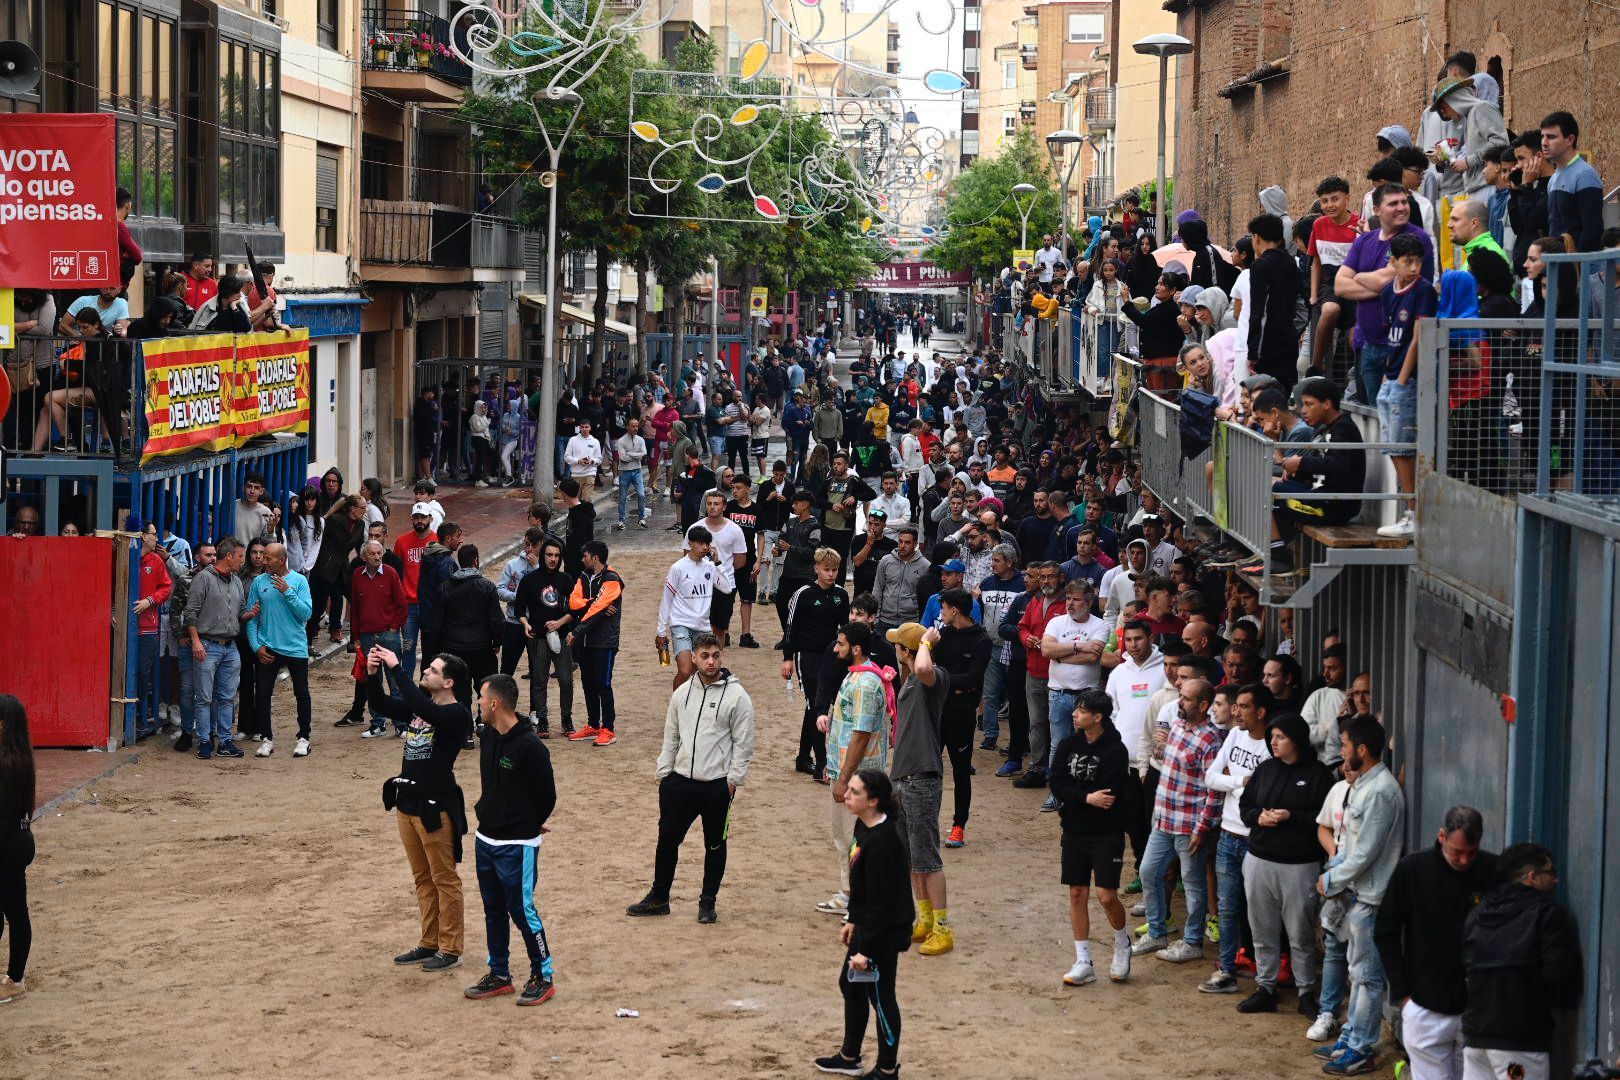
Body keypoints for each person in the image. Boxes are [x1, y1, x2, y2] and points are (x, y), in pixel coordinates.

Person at [627, 633, 756, 924]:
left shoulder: (738, 697)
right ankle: (659, 898)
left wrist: (733, 780)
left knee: (715, 844)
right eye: (705, 656)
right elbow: (671, 734)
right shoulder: (682, 693)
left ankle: (707, 903)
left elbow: (744, 742)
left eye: (716, 655)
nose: (711, 661)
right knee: (667, 841)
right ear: (694, 658)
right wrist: (665, 772)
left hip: (717, 786)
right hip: (679, 783)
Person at [367, 646, 472, 973]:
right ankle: (429, 942)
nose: (426, 672)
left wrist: (397, 670)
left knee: (444, 879)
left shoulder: (457, 714)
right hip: (407, 804)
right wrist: (373, 675)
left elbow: (424, 709)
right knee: (422, 878)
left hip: (435, 807)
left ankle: (450, 947)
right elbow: (381, 704)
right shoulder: (422, 709)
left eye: (434, 671)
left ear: (449, 683)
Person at [1373, 806, 1498, 1080]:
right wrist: (1403, 993)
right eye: (1457, 851)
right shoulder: (1413, 869)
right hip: (1425, 1003)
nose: (1464, 860)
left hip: (1477, 1006)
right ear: (1442, 836)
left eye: (1471, 852)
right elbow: (1386, 930)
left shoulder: (1492, 869)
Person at [1315, 716, 1406, 1075]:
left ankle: (1363, 1049)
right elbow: (1353, 845)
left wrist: (1331, 879)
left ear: (1362, 750)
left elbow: (1366, 853)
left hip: (1372, 899)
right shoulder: (1366, 786)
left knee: (1367, 978)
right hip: (1359, 895)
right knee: (1358, 972)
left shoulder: (1381, 791)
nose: (1342, 752)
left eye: (1346, 746)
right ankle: (1352, 1036)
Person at [463, 675, 558, 1006]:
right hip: (485, 837)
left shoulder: (530, 747)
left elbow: (547, 796)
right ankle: (499, 974)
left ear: (494, 703)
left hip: (517, 844)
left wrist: (528, 823)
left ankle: (543, 976)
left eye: (480, 698)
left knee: (522, 910)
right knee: (493, 909)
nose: (477, 703)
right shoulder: (488, 735)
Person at [813, 769, 913, 1080]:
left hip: (884, 933)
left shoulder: (884, 842)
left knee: (881, 998)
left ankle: (887, 1069)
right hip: (868, 925)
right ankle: (850, 1056)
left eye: (855, 792)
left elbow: (882, 905)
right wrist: (853, 919)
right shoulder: (863, 825)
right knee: (850, 985)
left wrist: (866, 951)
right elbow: (862, 885)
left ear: (873, 801)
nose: (846, 794)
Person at [1235, 712, 1334, 1015]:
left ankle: (1305, 991)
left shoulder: (1318, 774)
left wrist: (1291, 816)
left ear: (1297, 740)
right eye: (1272, 738)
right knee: (1261, 928)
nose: (1274, 743)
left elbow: (1323, 819)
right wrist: (1258, 817)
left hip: (1300, 864)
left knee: (1300, 931)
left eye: (1281, 737)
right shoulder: (1265, 769)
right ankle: (1265, 987)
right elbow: (1245, 806)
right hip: (1259, 859)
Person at [1459, 842, 1583, 1080]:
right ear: (1532, 877)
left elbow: (1465, 963)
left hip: (1476, 1038)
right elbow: (1558, 973)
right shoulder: (1547, 913)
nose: (1556, 880)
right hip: (1519, 1043)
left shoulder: (1478, 913)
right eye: (1551, 873)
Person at [1048, 688, 1137, 987]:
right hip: (1073, 830)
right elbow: (1057, 782)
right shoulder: (1068, 743)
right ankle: (1083, 960)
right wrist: (1085, 798)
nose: (1074, 714)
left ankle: (1122, 944)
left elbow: (1108, 795)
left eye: (1082, 710)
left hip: (1106, 833)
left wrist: (1076, 796)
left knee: (1106, 896)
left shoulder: (1116, 750)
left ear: (1097, 717)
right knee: (1077, 893)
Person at [1132, 676, 1221, 965]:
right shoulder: (1180, 725)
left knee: (1194, 886)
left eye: (1186, 698)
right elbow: (1165, 759)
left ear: (1203, 705)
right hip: (1164, 818)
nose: (1179, 702)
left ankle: (1193, 941)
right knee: (1148, 872)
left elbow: (1214, 790)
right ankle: (1158, 931)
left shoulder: (1210, 739)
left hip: (1190, 826)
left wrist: (1202, 827)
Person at [1196, 682, 1273, 996]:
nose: (1236, 711)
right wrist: (1242, 782)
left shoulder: (1272, 744)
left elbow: (1267, 793)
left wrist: (1234, 786)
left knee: (1261, 911)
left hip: (1259, 839)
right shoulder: (1234, 735)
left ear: (1261, 711)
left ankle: (1266, 977)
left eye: (1243, 706)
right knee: (1227, 908)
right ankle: (1226, 969)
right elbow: (1210, 777)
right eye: (1236, 705)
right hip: (1229, 833)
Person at [885, 623, 954, 957]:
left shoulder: (933, 676)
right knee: (912, 857)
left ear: (908, 651)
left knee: (928, 857)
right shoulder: (910, 680)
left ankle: (942, 927)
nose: (894, 648)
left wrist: (926, 640)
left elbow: (925, 665)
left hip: (922, 779)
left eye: (899, 645)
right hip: (904, 778)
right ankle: (925, 918)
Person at [815, 622, 893, 917]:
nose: (836, 649)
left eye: (841, 644)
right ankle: (850, 894)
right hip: (847, 772)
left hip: (858, 778)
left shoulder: (864, 684)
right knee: (844, 837)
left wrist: (844, 778)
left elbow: (860, 735)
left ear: (856, 649)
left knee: (858, 839)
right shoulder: (857, 676)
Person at [1040, 579, 1110, 809]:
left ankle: (1081, 793)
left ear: (1089, 603)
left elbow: (1093, 658)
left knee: (1086, 745)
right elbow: (1046, 650)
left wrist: (1060, 654)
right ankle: (1056, 793)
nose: (1070, 603)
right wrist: (1079, 646)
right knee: (1057, 744)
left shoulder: (1100, 626)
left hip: (1087, 696)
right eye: (1068, 598)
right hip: (1059, 692)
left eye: (1076, 599)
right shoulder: (1056, 622)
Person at [783, 549, 851, 780]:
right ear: (816, 569)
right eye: (827, 570)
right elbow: (790, 628)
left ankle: (803, 757)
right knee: (816, 705)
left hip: (832, 656)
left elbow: (845, 629)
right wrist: (787, 658)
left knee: (816, 706)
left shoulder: (841, 595)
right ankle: (822, 765)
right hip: (807, 655)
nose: (831, 574)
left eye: (834, 570)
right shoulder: (803, 594)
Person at [931, 588, 991, 848]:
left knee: (960, 771)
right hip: (937, 712)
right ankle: (926, 822)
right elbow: (932, 672)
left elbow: (971, 680)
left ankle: (958, 826)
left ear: (955, 610)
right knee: (928, 770)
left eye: (943, 608)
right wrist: (951, 684)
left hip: (962, 716)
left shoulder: (981, 640)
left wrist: (942, 680)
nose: (940, 612)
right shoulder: (942, 635)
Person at [244, 542, 314, 759]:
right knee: (263, 695)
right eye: (262, 557)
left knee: (301, 693)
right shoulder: (258, 582)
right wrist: (256, 646)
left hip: (295, 648)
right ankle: (266, 739)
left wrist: (288, 592)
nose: (263, 561)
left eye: (268, 558)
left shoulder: (299, 581)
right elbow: (251, 617)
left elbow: (306, 614)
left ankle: (304, 737)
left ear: (281, 560)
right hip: (269, 648)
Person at [182, 537, 248, 760]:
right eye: (240, 556)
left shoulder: (236, 581)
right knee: (204, 697)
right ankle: (204, 740)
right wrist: (196, 640)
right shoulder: (203, 578)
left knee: (227, 697)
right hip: (208, 643)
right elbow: (190, 612)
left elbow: (240, 613)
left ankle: (225, 740)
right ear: (229, 556)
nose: (242, 561)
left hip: (229, 646)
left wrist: (253, 613)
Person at [514, 537, 575, 738]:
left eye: (557, 556)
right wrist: (525, 624)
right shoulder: (530, 580)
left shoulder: (566, 580)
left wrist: (560, 623)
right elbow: (519, 608)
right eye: (549, 555)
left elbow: (576, 609)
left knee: (566, 680)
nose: (553, 559)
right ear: (543, 556)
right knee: (539, 680)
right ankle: (542, 720)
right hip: (538, 638)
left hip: (562, 637)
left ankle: (567, 719)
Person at [566, 541, 623, 746]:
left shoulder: (612, 579)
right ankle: (593, 725)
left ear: (595, 558)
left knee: (603, 685)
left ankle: (608, 729)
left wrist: (578, 628)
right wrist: (591, 602)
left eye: (585, 556)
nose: (582, 559)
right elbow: (573, 602)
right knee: (589, 684)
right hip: (586, 643)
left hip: (604, 642)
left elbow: (597, 610)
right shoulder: (583, 577)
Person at [0, 695, 35, 1004]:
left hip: (6, 845)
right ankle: (15, 977)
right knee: (16, 912)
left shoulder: (4, 762)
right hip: (19, 841)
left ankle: (14, 980)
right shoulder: (22, 757)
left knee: (12, 913)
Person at [687, 491, 748, 649]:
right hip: (699, 584)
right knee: (698, 624)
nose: (712, 507)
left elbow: (740, 560)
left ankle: (716, 657)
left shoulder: (734, 530)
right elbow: (687, 557)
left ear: (724, 507)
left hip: (724, 583)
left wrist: (721, 569)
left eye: (716, 504)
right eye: (709, 504)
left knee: (720, 627)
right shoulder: (695, 528)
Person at [658, 525, 716, 689]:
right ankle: (676, 706)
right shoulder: (678, 568)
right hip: (681, 625)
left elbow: (727, 587)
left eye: (707, 543)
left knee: (704, 672)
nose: (705, 547)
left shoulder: (711, 567)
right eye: (700, 543)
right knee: (685, 670)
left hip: (703, 627)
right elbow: (667, 599)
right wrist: (661, 631)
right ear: (690, 543)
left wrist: (717, 562)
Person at [1540, 111, 1604, 252]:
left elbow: (1592, 230)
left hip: (1581, 268)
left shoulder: (1585, 175)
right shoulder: (1554, 178)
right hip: (1559, 265)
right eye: (1542, 136)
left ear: (1570, 139)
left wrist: (1576, 266)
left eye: (1551, 137)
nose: (1544, 143)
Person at [496, 530, 542, 678]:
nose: (529, 549)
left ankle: (538, 702)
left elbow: (549, 592)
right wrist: (519, 597)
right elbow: (500, 590)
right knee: (506, 670)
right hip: (514, 622)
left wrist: (536, 567)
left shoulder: (547, 566)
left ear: (541, 544)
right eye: (527, 544)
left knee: (538, 672)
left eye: (533, 545)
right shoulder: (512, 565)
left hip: (536, 623)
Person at [614, 416, 651, 530]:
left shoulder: (640, 439)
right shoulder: (621, 441)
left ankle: (641, 518)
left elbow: (644, 453)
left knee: (641, 494)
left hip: (637, 471)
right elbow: (623, 458)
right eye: (633, 426)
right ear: (627, 427)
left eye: (636, 426)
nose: (635, 428)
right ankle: (621, 520)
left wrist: (630, 454)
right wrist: (636, 456)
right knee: (622, 497)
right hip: (624, 472)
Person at [555, 478, 596, 578]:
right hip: (573, 564)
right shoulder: (575, 511)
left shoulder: (580, 516)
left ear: (564, 494)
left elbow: (581, 543)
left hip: (578, 567)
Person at [564, 418, 603, 501]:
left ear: (590, 428)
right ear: (579, 428)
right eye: (582, 427)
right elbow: (566, 457)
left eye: (586, 427)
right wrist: (578, 461)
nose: (584, 429)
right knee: (575, 502)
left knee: (586, 501)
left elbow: (599, 459)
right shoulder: (573, 440)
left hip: (590, 474)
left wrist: (592, 461)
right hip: (576, 475)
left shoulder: (595, 441)